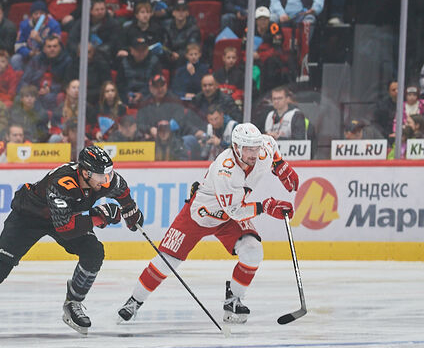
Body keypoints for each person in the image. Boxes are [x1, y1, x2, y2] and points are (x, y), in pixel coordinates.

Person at [0, 145, 143, 336]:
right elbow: (65, 228)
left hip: (64, 216)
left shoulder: (106, 181)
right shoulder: (62, 182)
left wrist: (131, 213)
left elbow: (123, 192)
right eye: (101, 176)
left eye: (109, 174)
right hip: (28, 218)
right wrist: (99, 217)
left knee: (94, 252)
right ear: (85, 173)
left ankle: (73, 304)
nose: (106, 180)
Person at [118, 123, 298, 324]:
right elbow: (235, 211)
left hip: (228, 218)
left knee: (253, 251)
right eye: (248, 149)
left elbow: (270, 143)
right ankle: (134, 301)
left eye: (255, 147)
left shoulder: (262, 150)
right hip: (200, 215)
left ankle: (234, 299)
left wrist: (281, 164)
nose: (254, 153)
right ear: (236, 148)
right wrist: (266, 206)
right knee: (168, 260)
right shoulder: (225, 169)